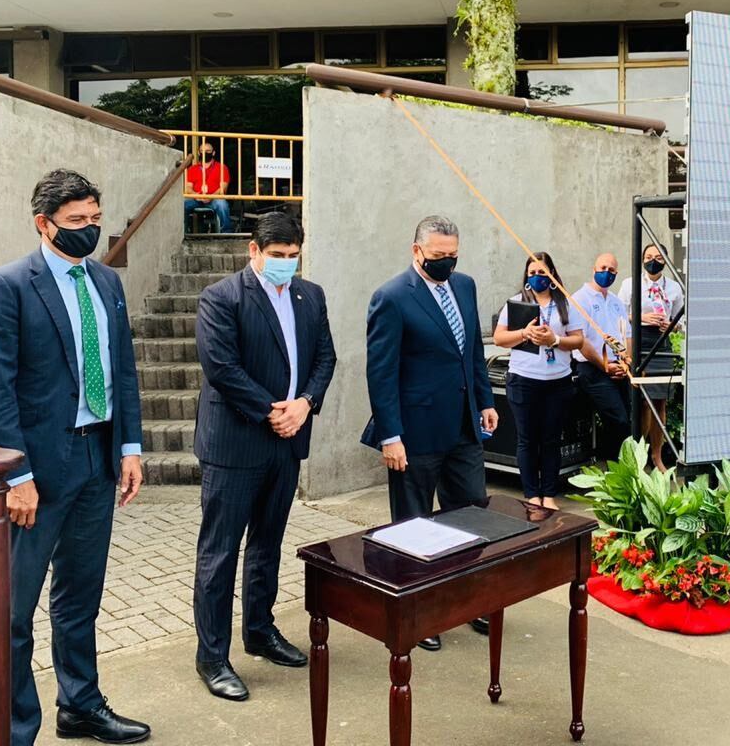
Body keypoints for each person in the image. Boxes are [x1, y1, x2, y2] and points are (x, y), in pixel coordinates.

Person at [0, 169, 149, 746]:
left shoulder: (107, 282)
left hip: (97, 461)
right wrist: (16, 474)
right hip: (36, 476)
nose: (89, 230)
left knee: (80, 595)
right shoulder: (5, 287)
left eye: (95, 219)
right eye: (76, 222)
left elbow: (122, 369)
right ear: (43, 224)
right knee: (14, 612)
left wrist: (130, 446)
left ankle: (81, 705)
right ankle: (15, 729)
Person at [191, 212, 336, 702]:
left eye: (293, 257)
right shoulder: (221, 298)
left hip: (287, 440)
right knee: (220, 552)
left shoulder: (309, 295)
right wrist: (272, 411)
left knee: (267, 545)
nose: (286, 265)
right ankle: (212, 656)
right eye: (277, 257)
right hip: (236, 443)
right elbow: (221, 367)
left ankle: (260, 631)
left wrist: (306, 404)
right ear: (253, 252)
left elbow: (324, 358)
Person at [361, 215, 499, 652]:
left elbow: (472, 350)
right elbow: (381, 374)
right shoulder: (392, 297)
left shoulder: (466, 286)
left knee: (471, 515)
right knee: (413, 523)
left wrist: (486, 400)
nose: (447, 263)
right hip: (414, 432)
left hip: (463, 425)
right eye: (439, 256)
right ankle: (420, 612)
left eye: (453, 255)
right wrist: (390, 436)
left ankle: (468, 600)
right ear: (417, 250)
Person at [492, 252, 583, 510]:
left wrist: (554, 340)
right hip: (524, 380)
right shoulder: (517, 303)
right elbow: (499, 338)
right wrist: (524, 333)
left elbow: (578, 340)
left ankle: (549, 494)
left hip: (558, 381)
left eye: (543, 273)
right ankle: (531, 493)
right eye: (532, 273)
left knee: (551, 439)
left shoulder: (565, 303)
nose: (537, 277)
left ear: (552, 275)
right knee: (527, 439)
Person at [620, 243, 684, 473]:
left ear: (665, 260)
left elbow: (682, 320)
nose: (652, 260)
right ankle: (640, 453)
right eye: (648, 256)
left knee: (660, 402)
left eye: (657, 257)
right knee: (644, 401)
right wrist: (642, 317)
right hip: (639, 341)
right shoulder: (630, 284)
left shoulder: (675, 287)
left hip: (662, 342)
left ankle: (657, 456)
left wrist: (673, 326)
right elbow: (619, 314)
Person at [571, 252, 633, 464]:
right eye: (603, 268)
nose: (607, 273)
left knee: (629, 421)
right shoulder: (580, 299)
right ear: (594, 269)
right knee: (619, 420)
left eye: (612, 270)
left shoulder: (616, 302)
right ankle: (619, 470)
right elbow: (582, 341)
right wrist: (605, 365)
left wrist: (626, 363)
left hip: (619, 369)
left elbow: (628, 335)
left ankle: (619, 468)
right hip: (594, 369)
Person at [185, 140, 232, 233]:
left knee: (222, 205)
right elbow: (188, 188)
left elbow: (223, 188)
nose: (204, 153)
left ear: (213, 153)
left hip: (215, 199)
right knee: (182, 205)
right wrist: (197, 196)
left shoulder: (222, 168)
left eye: (208, 151)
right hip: (196, 199)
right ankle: (183, 232)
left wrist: (211, 197)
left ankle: (227, 233)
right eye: (202, 151)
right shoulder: (192, 169)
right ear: (198, 153)